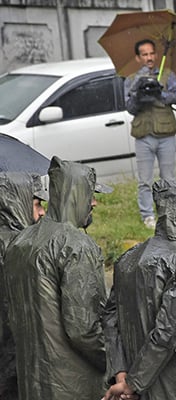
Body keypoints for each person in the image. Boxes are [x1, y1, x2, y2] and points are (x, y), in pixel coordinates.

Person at [101, 180, 176, 400]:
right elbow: (168, 332)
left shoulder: (128, 258)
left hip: (137, 385)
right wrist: (132, 384)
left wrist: (122, 374)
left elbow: (110, 321)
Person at [2, 156, 112, 400]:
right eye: (91, 194)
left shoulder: (20, 241)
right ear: (76, 194)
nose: (94, 203)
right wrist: (117, 362)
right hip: (73, 384)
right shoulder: (76, 245)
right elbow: (83, 328)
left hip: (32, 380)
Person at [124, 38, 176, 229]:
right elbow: (129, 108)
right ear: (138, 57)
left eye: (151, 53)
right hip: (143, 134)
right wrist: (140, 95)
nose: (149, 58)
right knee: (145, 180)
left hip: (166, 133)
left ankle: (169, 213)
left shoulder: (167, 74)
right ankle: (148, 215)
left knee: (168, 178)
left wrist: (159, 94)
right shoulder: (131, 79)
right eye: (144, 54)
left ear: (156, 55)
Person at [0, 172, 47, 400]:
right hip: (14, 360)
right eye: (37, 204)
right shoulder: (18, 246)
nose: (41, 212)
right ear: (15, 202)